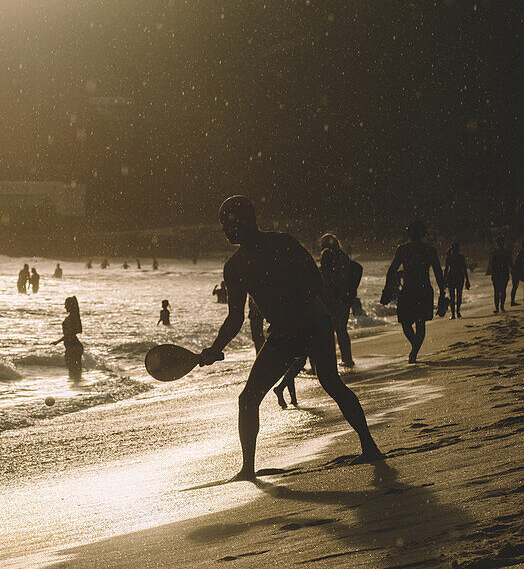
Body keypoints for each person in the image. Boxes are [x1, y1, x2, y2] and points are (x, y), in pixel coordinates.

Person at [198, 196, 384, 480]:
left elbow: (315, 283)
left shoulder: (281, 243)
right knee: (248, 399)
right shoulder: (236, 266)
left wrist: (293, 312)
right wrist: (214, 348)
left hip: (311, 323)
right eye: (223, 223)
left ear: (248, 220)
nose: (225, 229)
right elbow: (235, 318)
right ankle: (247, 468)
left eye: (230, 222)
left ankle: (370, 447)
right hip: (287, 331)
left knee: (330, 382)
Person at [383, 220, 445, 363]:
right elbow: (438, 274)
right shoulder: (424, 250)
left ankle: (414, 352)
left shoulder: (407, 249)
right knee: (415, 322)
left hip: (413, 290)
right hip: (417, 290)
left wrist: (387, 288)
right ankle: (415, 349)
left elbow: (392, 270)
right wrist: (442, 293)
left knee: (411, 322)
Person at [319, 233, 359, 368]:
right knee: (341, 331)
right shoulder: (342, 259)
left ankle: (342, 360)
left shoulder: (337, 261)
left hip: (337, 301)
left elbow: (339, 282)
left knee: (335, 332)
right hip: (342, 300)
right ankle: (346, 359)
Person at [51, 296, 83, 380]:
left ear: (70, 305)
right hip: (73, 346)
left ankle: (78, 388)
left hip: (73, 347)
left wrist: (58, 341)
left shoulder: (72, 318)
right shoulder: (73, 317)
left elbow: (71, 334)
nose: (65, 306)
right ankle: (78, 387)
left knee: (74, 371)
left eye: (66, 305)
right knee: (75, 372)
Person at [443, 243, 470, 319]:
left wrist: (443, 281)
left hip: (451, 278)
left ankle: (453, 314)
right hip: (459, 278)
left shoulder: (449, 257)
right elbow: (464, 269)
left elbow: (446, 270)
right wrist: (467, 280)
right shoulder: (460, 257)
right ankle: (457, 312)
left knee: (452, 296)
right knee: (458, 295)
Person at [488, 236, 511, 313]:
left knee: (498, 291)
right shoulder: (504, 252)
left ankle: (499, 307)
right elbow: (510, 262)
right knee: (501, 291)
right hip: (502, 273)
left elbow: (492, 265)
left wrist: (492, 274)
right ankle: (500, 307)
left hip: (498, 274)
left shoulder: (496, 252)